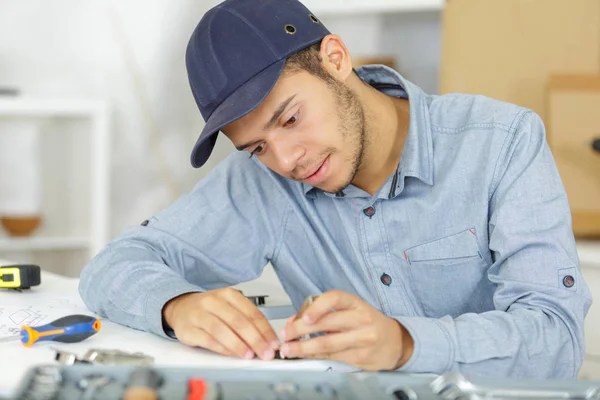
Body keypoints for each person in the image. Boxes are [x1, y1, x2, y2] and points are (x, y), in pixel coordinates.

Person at [78, 0, 592, 378]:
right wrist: (177, 305)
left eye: (291, 118)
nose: (285, 160)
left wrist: (406, 344)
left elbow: (556, 341)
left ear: (336, 58)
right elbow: (113, 266)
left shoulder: (501, 142)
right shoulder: (262, 182)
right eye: (256, 147)